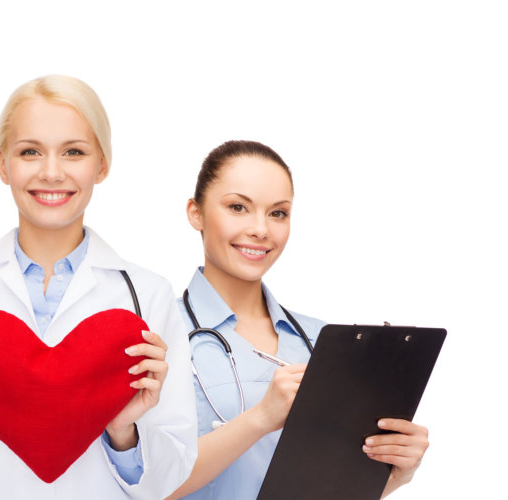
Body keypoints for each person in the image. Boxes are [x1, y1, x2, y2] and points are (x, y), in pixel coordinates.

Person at [0, 75, 195, 498]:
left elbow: (171, 477)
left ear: (101, 165)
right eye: (30, 151)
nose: (51, 172)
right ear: (3, 164)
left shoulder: (150, 296)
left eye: (73, 152)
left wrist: (123, 429)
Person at [163, 140, 431, 500]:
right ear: (195, 213)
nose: (261, 229)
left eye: (278, 213)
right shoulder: (159, 332)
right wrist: (260, 418)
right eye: (238, 207)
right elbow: (143, 487)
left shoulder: (321, 340)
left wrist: (394, 471)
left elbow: (330, 485)